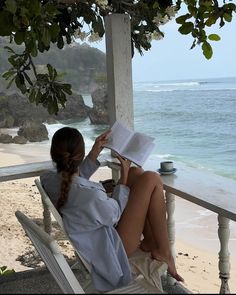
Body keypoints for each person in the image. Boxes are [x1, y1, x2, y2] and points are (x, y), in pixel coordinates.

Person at [40, 126, 184, 292]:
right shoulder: (90, 195)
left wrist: (94, 154)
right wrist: (123, 176)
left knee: (136, 173)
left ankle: (151, 242)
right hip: (113, 248)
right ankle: (165, 251)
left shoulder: (49, 179)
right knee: (152, 178)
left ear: (54, 154)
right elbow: (115, 213)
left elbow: (73, 179)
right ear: (79, 155)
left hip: (97, 236)